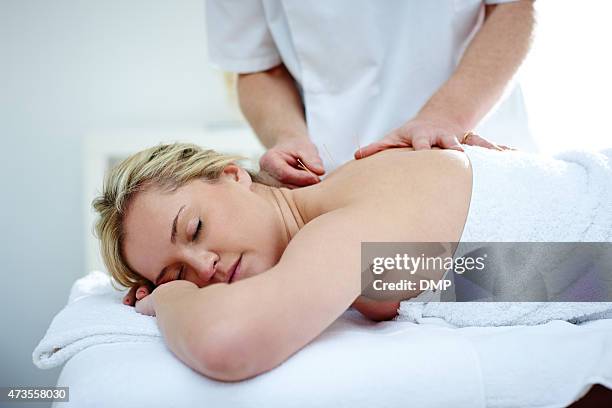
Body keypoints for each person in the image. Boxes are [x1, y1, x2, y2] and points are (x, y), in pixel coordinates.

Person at [93, 142, 611, 382]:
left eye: (194, 229)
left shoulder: (341, 224)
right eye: (178, 271)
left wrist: (172, 298)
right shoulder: (354, 234)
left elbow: (226, 345)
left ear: (233, 175)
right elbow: (410, 280)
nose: (203, 266)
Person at [206, 0, 537, 188]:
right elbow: (256, 65)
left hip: (475, 138)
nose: (207, 267)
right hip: (333, 169)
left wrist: (446, 117)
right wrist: (286, 135)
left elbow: (513, 7)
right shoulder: (363, 267)